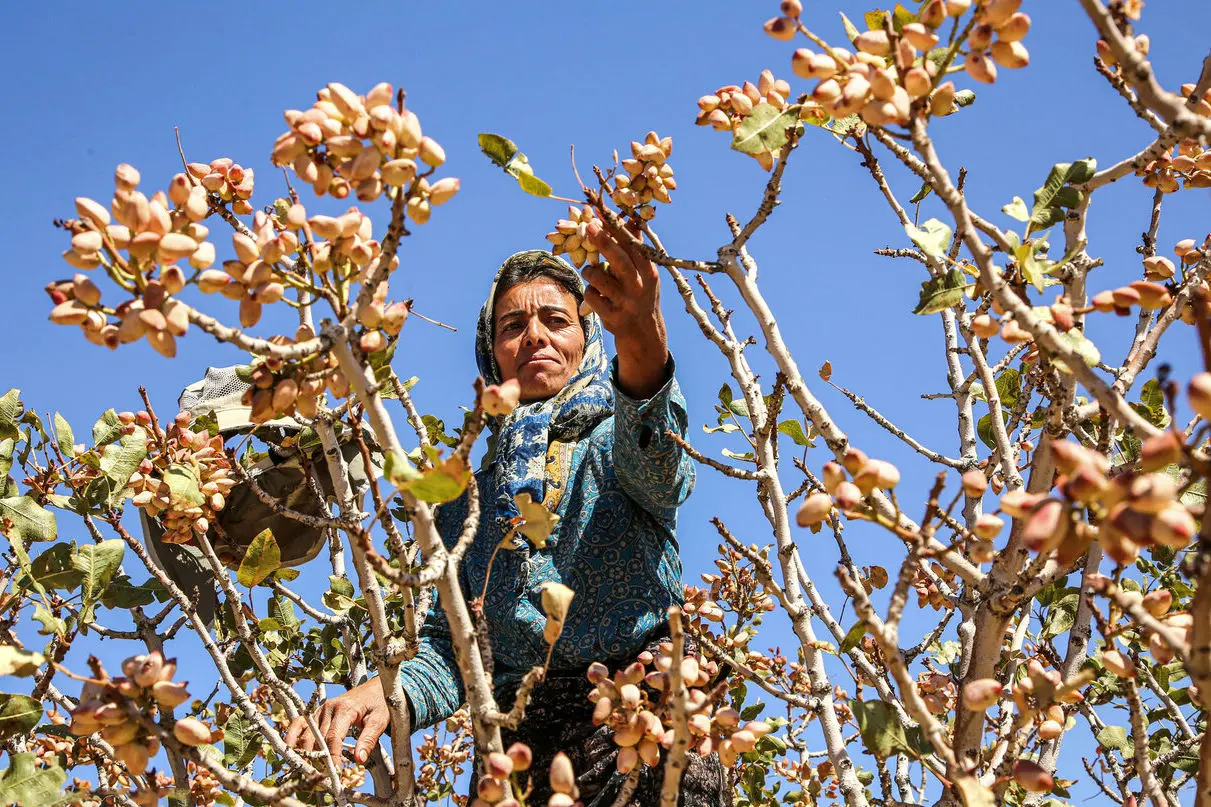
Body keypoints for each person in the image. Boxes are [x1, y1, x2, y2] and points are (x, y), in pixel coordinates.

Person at [286, 222, 728, 805]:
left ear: (589, 338)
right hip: (517, 751)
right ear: (491, 354)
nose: (535, 337)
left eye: (556, 320)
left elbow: (659, 464)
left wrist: (642, 338)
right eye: (512, 327)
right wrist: (384, 694)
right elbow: (454, 648)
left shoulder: (614, 441)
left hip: (644, 721)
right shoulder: (467, 501)